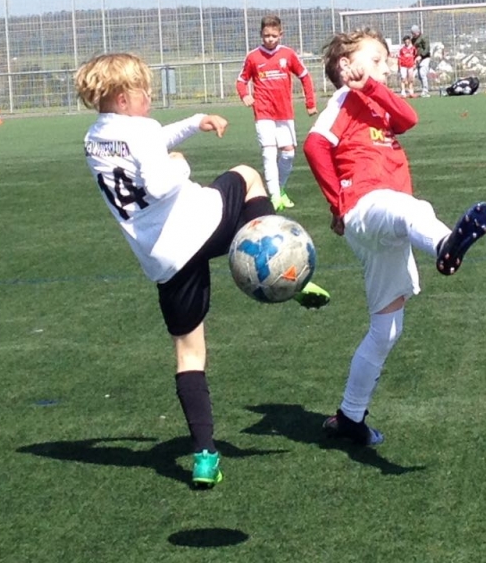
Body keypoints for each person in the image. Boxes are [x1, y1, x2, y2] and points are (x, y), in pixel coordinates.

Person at [75, 52, 330, 489]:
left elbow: (149, 141)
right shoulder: (140, 132)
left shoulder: (95, 137)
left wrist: (195, 122)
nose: (150, 97)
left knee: (189, 354)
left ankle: (205, 456)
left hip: (163, 258)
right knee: (247, 176)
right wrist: (181, 163)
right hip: (197, 222)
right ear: (122, 99)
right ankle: (285, 269)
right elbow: (160, 179)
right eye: (143, 91)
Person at [303, 28, 486, 446]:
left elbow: (409, 119)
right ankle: (444, 245)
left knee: (387, 329)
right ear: (346, 66)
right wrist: (338, 205)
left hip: (384, 227)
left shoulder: (374, 100)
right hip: (367, 205)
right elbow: (315, 146)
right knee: (412, 208)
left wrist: (372, 86)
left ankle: (350, 417)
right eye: (376, 60)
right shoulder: (343, 101)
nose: (385, 68)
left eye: (386, 62)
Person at [236, 15, 318, 212]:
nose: (270, 39)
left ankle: (279, 189)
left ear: (281, 34)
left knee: (288, 153)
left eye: (274, 35)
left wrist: (310, 103)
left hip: (284, 113)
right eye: (266, 36)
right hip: (263, 112)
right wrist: (245, 95)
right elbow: (241, 80)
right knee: (269, 153)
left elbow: (305, 77)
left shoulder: (288, 54)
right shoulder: (253, 57)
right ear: (261, 35)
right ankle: (273, 197)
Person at [410, 24, 432, 97]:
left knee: (422, 73)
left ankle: (426, 91)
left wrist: (421, 55)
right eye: (412, 33)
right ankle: (423, 89)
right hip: (417, 59)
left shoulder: (424, 37)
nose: (413, 35)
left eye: (414, 33)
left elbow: (427, 48)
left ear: (417, 32)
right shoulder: (413, 40)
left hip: (425, 58)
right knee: (419, 75)